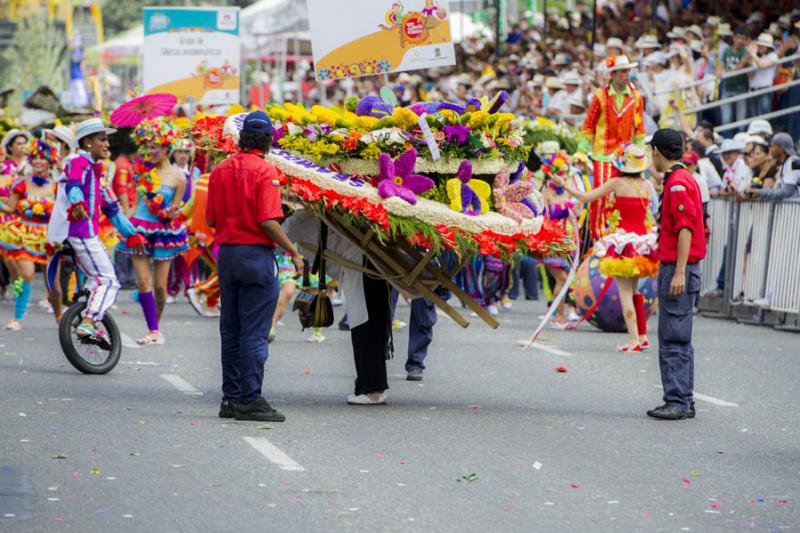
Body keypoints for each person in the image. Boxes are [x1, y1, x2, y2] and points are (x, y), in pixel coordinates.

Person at [206, 110, 303, 423]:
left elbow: (210, 219)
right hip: (255, 257)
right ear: (268, 140)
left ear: (242, 137)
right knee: (254, 333)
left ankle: (230, 398)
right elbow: (266, 220)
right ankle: (250, 398)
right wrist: (294, 251)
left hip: (227, 256)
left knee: (230, 330)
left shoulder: (219, 170)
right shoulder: (266, 171)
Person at [552, 144, 657, 351]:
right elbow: (651, 209)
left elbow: (586, 198)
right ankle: (642, 336)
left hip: (622, 243)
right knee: (635, 291)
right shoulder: (646, 185)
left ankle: (634, 340)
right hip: (642, 242)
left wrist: (565, 185)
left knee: (625, 292)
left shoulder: (617, 183)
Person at [60, 118, 147, 340]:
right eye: (102, 139)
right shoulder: (78, 162)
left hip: (90, 236)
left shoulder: (96, 172)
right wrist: (77, 203)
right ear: (88, 143)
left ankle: (87, 316)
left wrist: (132, 235)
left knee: (96, 280)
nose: (107, 144)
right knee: (108, 281)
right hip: (81, 234)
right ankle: (88, 321)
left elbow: (112, 209)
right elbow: (73, 184)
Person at [647, 128, 706, 420]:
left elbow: (685, 228)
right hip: (681, 266)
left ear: (657, 151)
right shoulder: (681, 178)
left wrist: (679, 271)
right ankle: (684, 399)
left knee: (674, 337)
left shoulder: (677, 184)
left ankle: (678, 401)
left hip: (679, 267)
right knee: (678, 335)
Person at [116, 119, 189, 346]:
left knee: (160, 286)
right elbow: (136, 203)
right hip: (140, 228)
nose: (150, 151)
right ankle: (153, 329)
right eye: (148, 148)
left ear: (166, 148)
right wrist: (124, 221)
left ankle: (156, 325)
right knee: (144, 281)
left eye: (154, 147)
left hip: (164, 232)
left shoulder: (179, 178)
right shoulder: (140, 172)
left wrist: (173, 211)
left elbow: (176, 209)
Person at [582, 54, 646, 241]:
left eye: (628, 70)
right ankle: (599, 242)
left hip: (626, 160)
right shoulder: (600, 96)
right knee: (599, 200)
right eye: (623, 71)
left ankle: (620, 241)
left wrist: (640, 154)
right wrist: (581, 151)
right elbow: (588, 127)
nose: (627, 74)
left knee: (624, 200)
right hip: (602, 156)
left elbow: (640, 130)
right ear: (613, 74)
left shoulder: (636, 96)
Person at [0, 139, 58, 329]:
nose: (38, 162)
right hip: (24, 234)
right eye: (35, 158)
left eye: (43, 158)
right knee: (27, 274)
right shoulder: (21, 184)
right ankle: (17, 318)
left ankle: (60, 318)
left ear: (50, 162)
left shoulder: (57, 187)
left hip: (49, 237)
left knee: (53, 284)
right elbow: (10, 208)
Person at [717, 27, 751, 131]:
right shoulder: (727, 50)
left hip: (741, 87)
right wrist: (719, 72)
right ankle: (727, 139)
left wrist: (726, 73)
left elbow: (741, 65)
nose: (740, 41)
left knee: (741, 118)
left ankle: (740, 138)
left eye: (743, 39)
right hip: (727, 86)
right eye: (738, 38)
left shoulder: (746, 52)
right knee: (726, 118)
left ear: (746, 40)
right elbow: (720, 64)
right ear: (733, 38)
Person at [755, 133, 800, 201]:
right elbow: (778, 190)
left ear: (781, 149)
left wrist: (760, 192)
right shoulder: (784, 164)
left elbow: (786, 192)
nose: (770, 149)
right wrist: (758, 189)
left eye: (772, 146)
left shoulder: (793, 163)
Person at [746, 33, 779, 118]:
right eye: (759, 45)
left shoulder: (773, 56)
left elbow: (761, 66)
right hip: (753, 89)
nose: (759, 47)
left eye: (762, 46)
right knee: (753, 118)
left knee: (763, 117)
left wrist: (753, 54)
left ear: (768, 47)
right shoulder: (757, 57)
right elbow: (750, 75)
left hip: (765, 90)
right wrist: (749, 58)